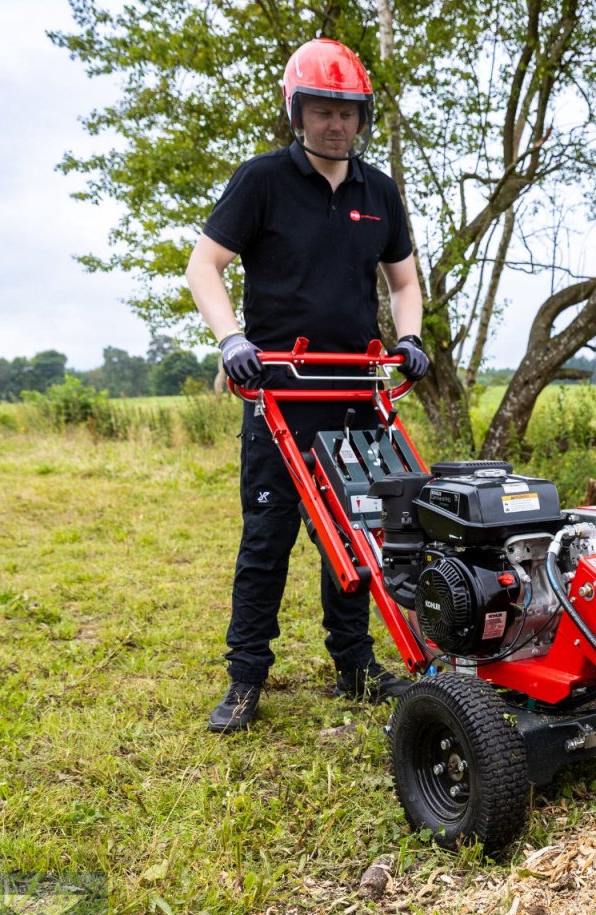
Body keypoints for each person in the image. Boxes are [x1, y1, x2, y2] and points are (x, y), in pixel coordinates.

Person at [185, 37, 429, 733]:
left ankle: (355, 665)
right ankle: (245, 679)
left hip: (356, 392)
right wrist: (232, 340)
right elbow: (204, 266)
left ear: (363, 117)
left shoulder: (379, 192)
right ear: (297, 111)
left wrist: (410, 340)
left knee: (357, 536)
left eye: (348, 113)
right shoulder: (261, 181)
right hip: (279, 391)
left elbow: (403, 282)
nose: (336, 125)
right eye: (323, 111)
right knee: (268, 538)